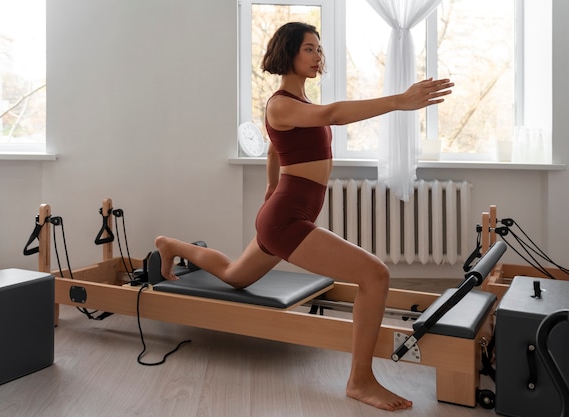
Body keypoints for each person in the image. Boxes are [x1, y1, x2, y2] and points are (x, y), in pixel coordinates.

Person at [155, 22, 453, 411]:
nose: (318, 56)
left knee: (234, 276)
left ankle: (170, 244)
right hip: (287, 221)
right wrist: (398, 101)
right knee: (375, 274)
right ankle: (360, 381)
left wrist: (268, 189)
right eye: (309, 48)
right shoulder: (281, 103)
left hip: (281, 214)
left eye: (319, 49)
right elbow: (334, 113)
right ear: (289, 52)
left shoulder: (300, 107)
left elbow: (274, 151)